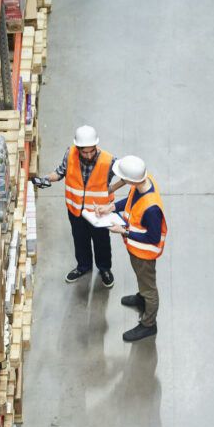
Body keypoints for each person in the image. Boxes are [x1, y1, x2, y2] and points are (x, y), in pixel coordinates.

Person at [33, 125, 124, 287]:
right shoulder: (70, 154)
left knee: (101, 241)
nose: (88, 155)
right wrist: (46, 178)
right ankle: (83, 266)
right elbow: (60, 172)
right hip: (75, 210)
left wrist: (112, 188)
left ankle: (104, 269)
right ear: (78, 147)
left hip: (99, 212)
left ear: (96, 146)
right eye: (84, 151)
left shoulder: (109, 160)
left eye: (92, 151)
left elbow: (127, 175)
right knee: (80, 240)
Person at [94, 155, 167, 343]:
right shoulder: (144, 180)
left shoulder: (151, 209)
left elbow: (153, 238)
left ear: (131, 179)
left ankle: (149, 324)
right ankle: (141, 298)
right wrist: (111, 208)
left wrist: (124, 231)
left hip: (144, 254)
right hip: (136, 251)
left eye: (123, 178)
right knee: (142, 281)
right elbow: (130, 200)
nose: (122, 181)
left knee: (149, 287)